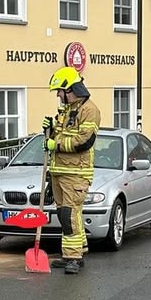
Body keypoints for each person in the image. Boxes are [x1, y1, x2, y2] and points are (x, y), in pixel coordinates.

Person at [44, 66, 100, 274]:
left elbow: (84, 141)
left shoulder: (89, 110)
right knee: (64, 213)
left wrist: (55, 144)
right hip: (60, 170)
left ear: (70, 89)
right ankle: (77, 250)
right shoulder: (67, 109)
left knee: (70, 214)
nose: (58, 95)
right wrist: (50, 130)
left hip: (76, 173)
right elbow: (60, 134)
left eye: (60, 91)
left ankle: (73, 257)